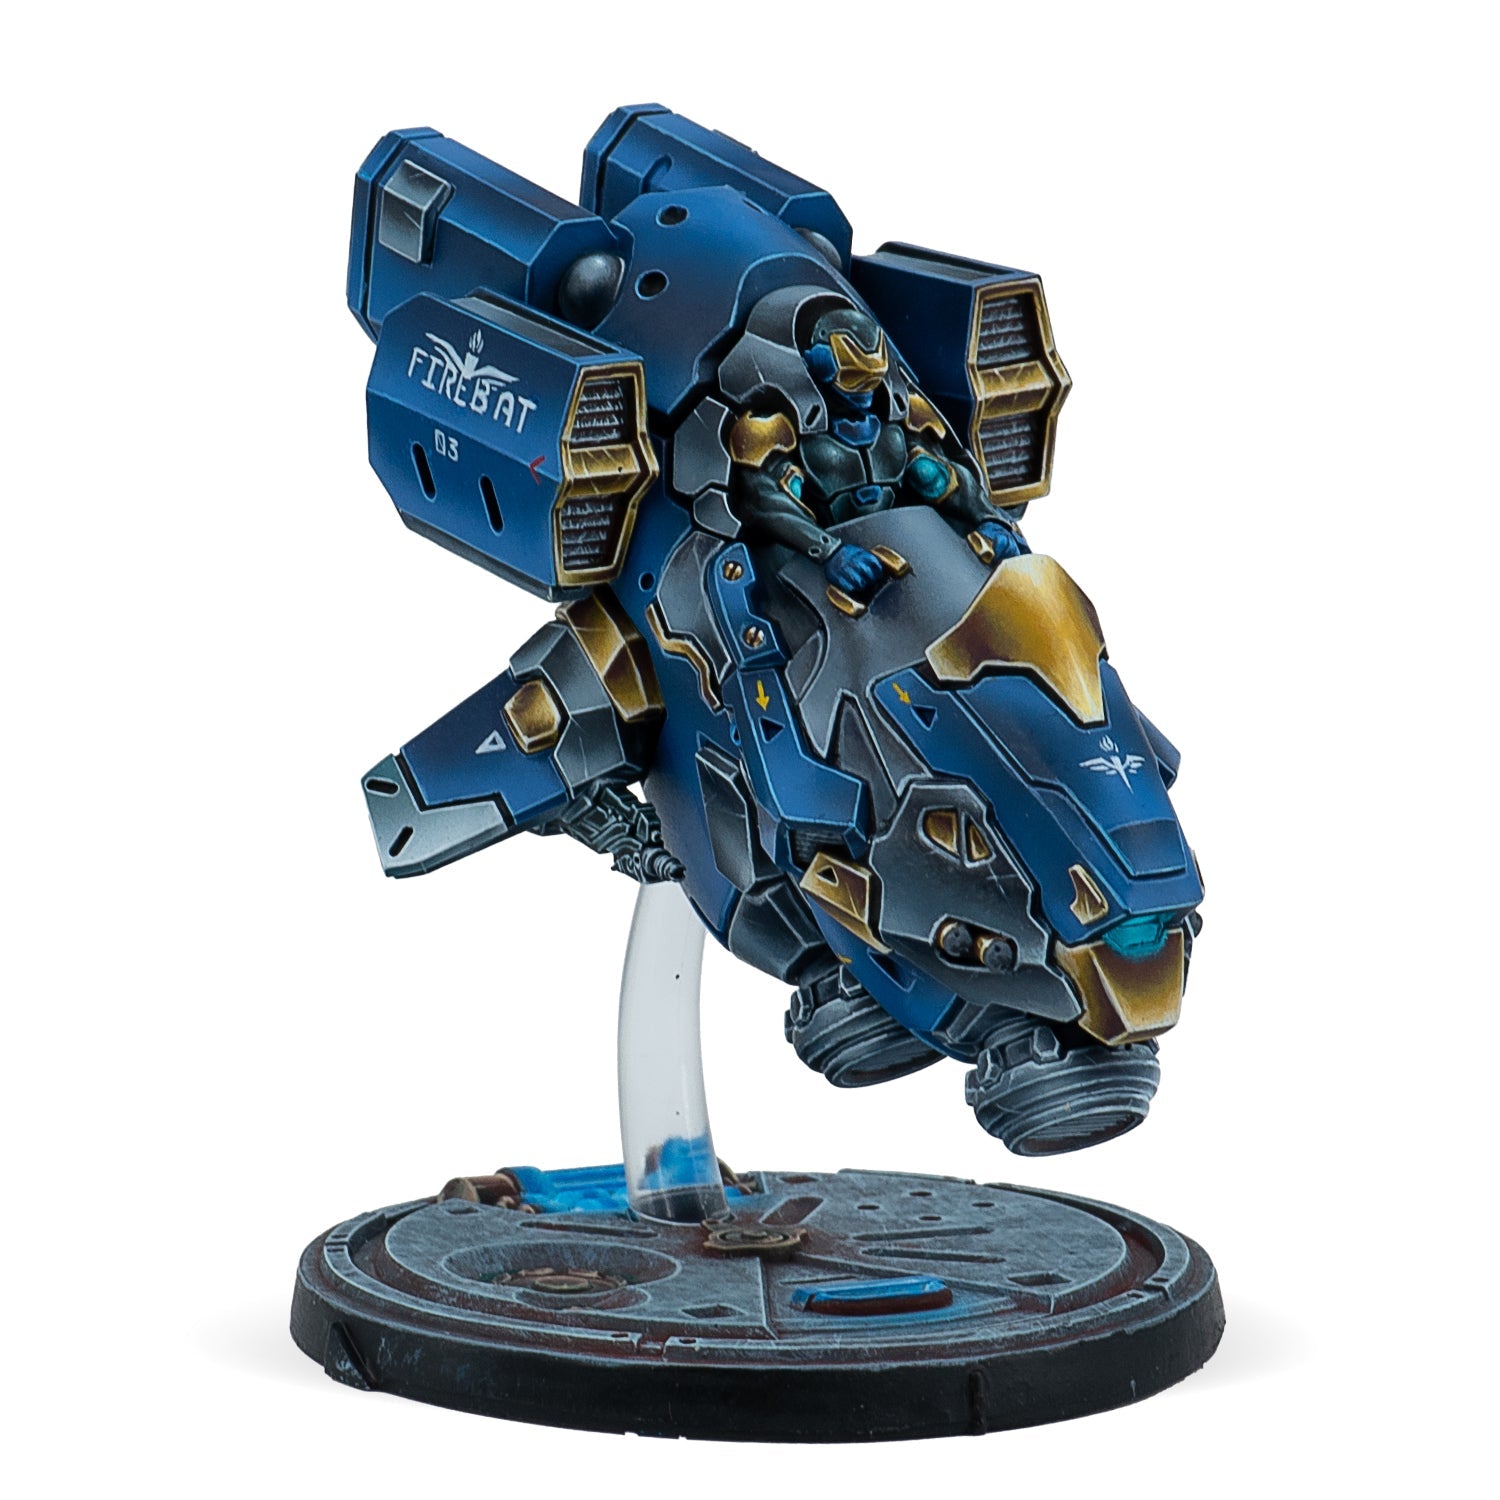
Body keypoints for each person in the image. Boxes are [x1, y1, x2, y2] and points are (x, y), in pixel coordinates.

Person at [727, 306, 1028, 600]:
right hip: (816, 572)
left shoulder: (899, 424)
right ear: (820, 364)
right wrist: (828, 550)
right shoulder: (774, 429)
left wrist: (990, 518)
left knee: (928, 475)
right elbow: (766, 502)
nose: (865, 391)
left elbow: (944, 480)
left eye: (873, 378)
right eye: (854, 377)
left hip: (904, 563)